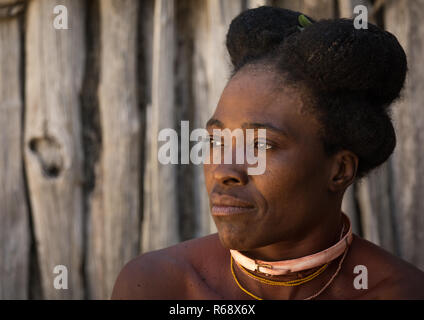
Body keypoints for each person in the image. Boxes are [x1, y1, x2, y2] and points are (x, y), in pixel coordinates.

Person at [111, 6, 424, 300]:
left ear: (340, 170)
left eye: (260, 145)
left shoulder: (403, 292)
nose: (223, 171)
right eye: (217, 141)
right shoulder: (160, 285)